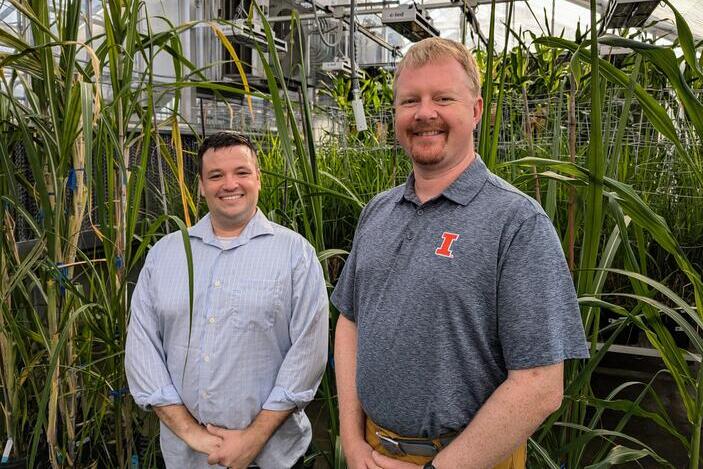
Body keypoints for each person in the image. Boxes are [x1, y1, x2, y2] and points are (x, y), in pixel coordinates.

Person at [331, 37, 589, 469]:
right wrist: (352, 442)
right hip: (371, 453)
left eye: (443, 98)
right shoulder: (378, 210)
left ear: (476, 111)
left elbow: (541, 383)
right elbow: (350, 321)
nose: (424, 113)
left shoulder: (517, 222)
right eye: (410, 100)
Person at [125, 132, 328, 469]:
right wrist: (193, 435)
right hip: (186, 458)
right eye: (216, 175)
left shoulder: (296, 255)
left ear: (258, 179)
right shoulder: (166, 255)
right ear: (201, 186)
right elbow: (142, 349)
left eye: (242, 172)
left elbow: (308, 355)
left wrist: (253, 438)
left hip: (271, 458)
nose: (229, 184)